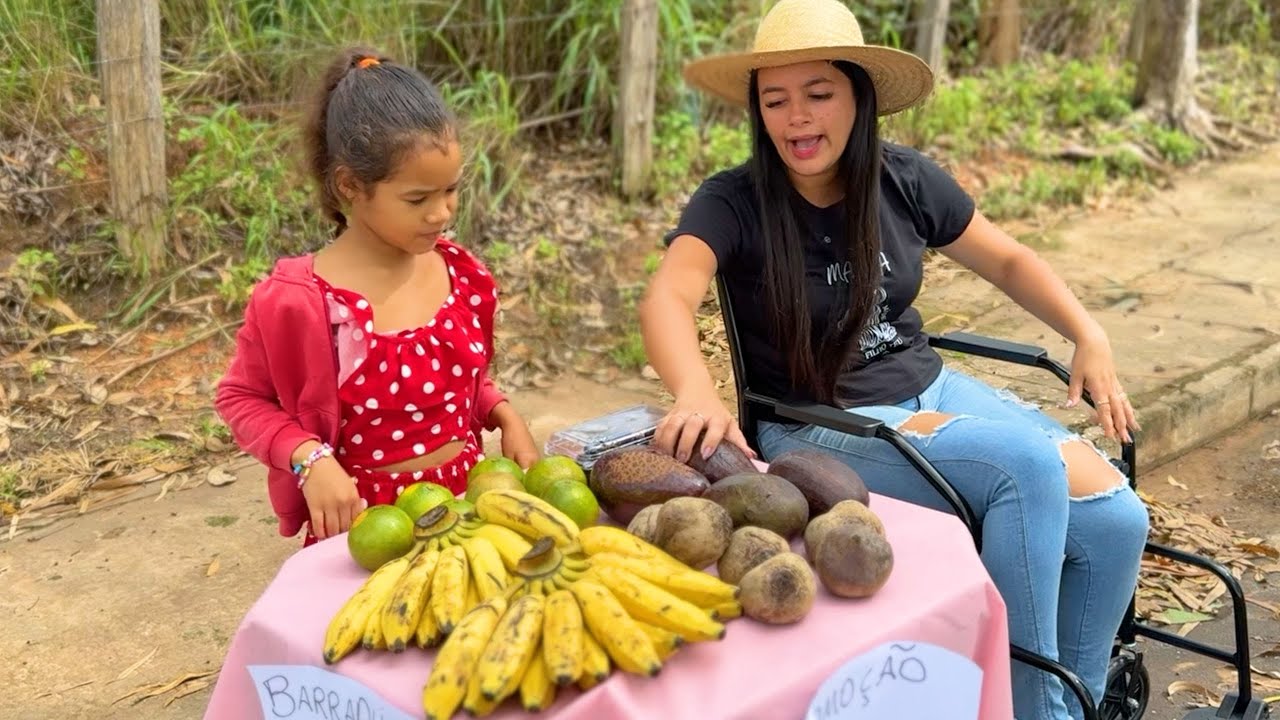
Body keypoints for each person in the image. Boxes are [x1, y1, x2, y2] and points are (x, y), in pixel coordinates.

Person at [638, 2, 1148, 718]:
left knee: (1118, 521)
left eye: (818, 94)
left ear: (858, 96)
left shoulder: (902, 179)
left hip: (927, 388)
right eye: (775, 99)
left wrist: (1086, 332)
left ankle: (1073, 704)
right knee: (1026, 466)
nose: (797, 118)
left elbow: (1006, 258)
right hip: (821, 426)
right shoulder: (735, 200)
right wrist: (695, 388)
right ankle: (1029, 710)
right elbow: (667, 295)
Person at [215, 48, 539, 547]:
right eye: (417, 199)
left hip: (469, 513)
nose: (441, 214)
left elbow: (454, 382)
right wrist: (309, 458)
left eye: (451, 190)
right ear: (349, 186)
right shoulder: (300, 302)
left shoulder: (461, 275)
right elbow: (240, 398)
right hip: (365, 531)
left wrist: (501, 412)